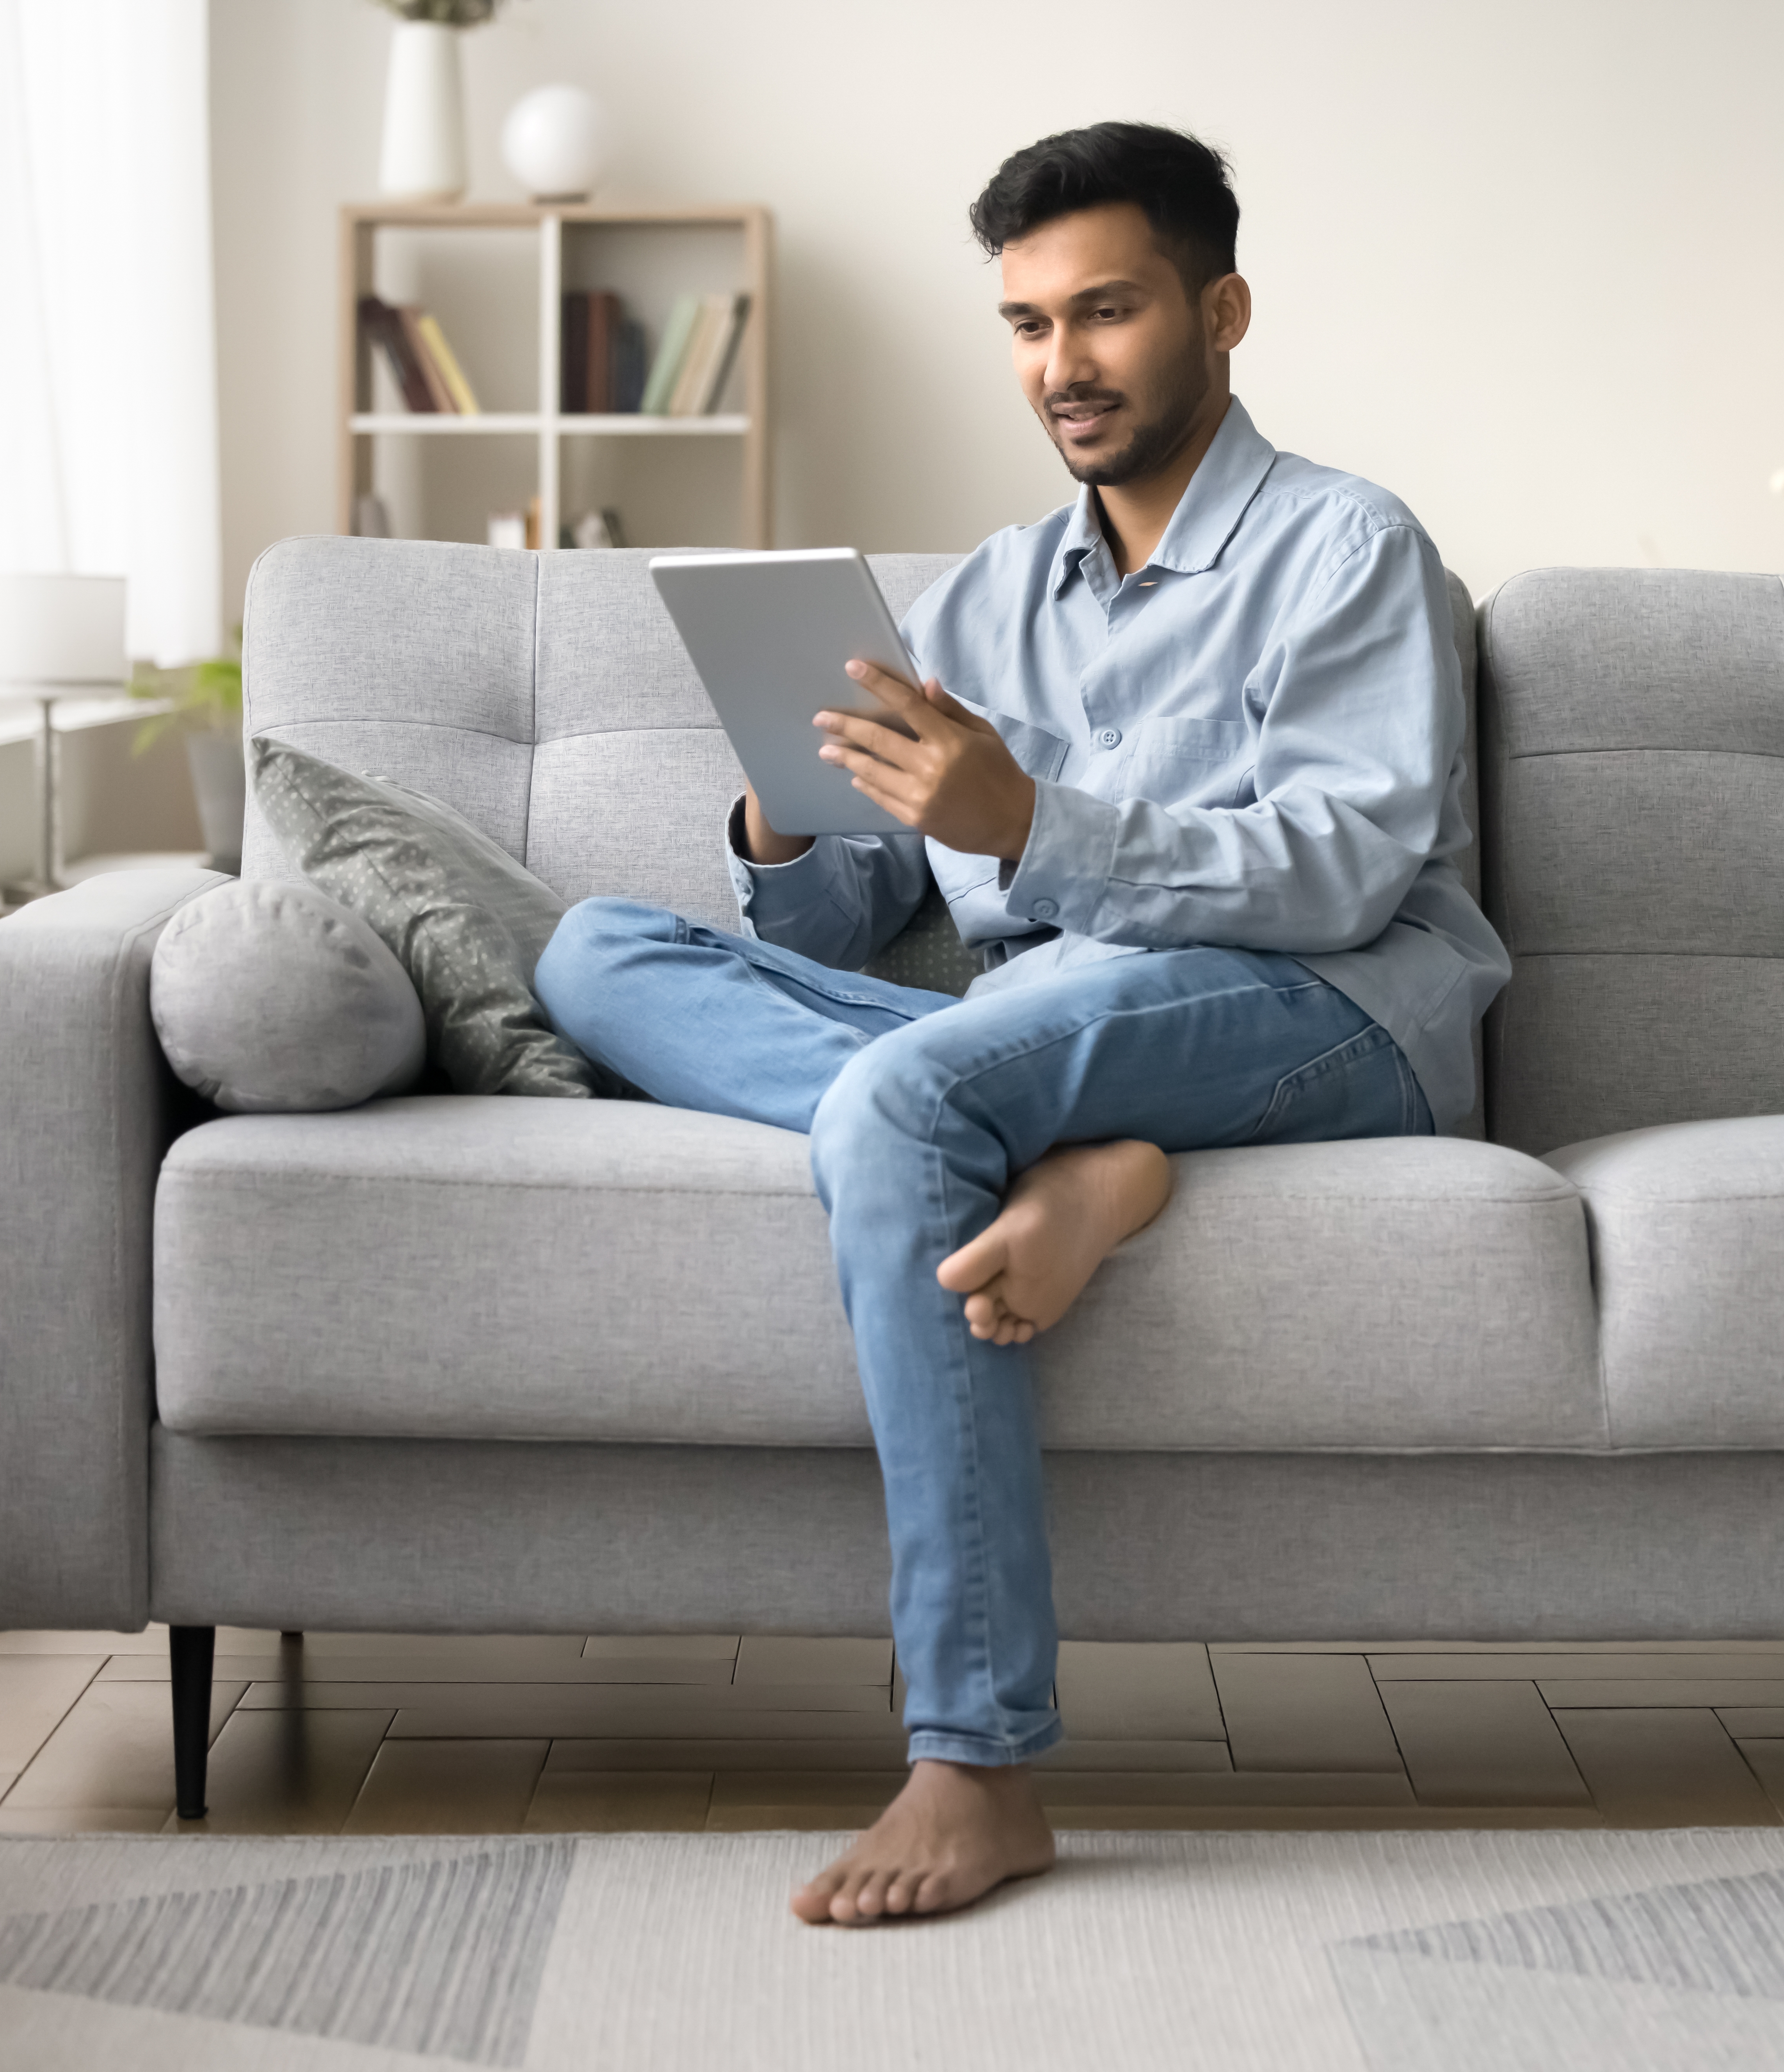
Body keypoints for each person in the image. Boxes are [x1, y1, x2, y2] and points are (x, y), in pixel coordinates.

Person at [533, 121, 1508, 1926]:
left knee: (908, 1100)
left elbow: (1347, 870)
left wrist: (1031, 825)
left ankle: (974, 1761)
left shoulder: (1345, 546)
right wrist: (782, 822)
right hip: (1053, 1030)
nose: (1061, 364)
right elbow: (867, 910)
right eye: (1026, 323)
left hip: (1329, 1014)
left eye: (1106, 311)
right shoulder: (981, 598)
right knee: (592, 950)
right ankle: (1092, 1155)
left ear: (1219, 311)